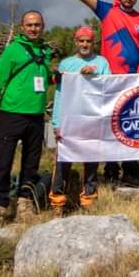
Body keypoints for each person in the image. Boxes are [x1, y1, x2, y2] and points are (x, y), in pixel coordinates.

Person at [38, 0, 139, 184]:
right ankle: (110, 170)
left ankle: (131, 169)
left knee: (130, 124)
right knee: (109, 125)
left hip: (130, 81)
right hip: (106, 81)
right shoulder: (107, 10)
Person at [0, 11, 54, 223]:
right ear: (22, 27)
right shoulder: (13, 50)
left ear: (43, 26)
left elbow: (45, 78)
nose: (33, 29)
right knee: (4, 161)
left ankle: (25, 204)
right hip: (11, 114)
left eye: (37, 25)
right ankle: (0, 206)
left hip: (36, 116)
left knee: (31, 164)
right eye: (29, 25)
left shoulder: (45, 51)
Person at [49, 26, 109, 214]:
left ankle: (89, 201)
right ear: (76, 42)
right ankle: (58, 201)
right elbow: (60, 94)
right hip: (69, 120)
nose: (85, 44)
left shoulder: (102, 62)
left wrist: (94, 76)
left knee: (91, 161)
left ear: (94, 43)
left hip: (92, 119)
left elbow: (108, 89)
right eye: (81, 40)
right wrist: (57, 123)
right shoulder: (66, 64)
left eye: (88, 41)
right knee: (62, 162)